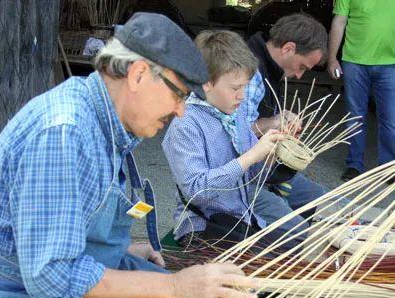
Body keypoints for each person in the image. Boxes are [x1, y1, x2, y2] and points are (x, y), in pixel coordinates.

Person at [0, 13, 258, 298]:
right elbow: (51, 278)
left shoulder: (105, 117)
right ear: (138, 75)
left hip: (74, 269)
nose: (181, 112)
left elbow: (74, 216)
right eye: (178, 95)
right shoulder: (64, 134)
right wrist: (174, 286)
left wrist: (119, 247)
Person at [162, 30, 292, 250]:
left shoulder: (234, 114)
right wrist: (250, 157)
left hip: (240, 219)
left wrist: (269, 157)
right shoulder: (186, 124)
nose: (242, 95)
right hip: (202, 229)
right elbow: (196, 191)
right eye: (235, 88)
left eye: (245, 87)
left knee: (292, 249)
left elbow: (250, 177)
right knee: (267, 274)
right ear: (206, 83)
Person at [241, 13, 328, 239]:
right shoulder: (250, 71)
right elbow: (233, 134)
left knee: (331, 206)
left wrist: (279, 124)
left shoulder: (270, 70)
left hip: (262, 172)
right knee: (302, 235)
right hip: (238, 181)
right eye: (302, 66)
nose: (299, 74)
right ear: (288, 48)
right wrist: (272, 123)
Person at [327, 0, 395, 182]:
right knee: (355, 116)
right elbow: (339, 21)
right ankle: (354, 164)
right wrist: (332, 58)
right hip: (354, 61)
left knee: (390, 119)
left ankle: (388, 167)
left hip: (391, 63)